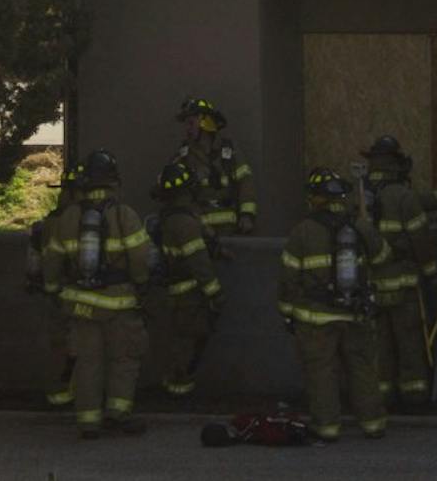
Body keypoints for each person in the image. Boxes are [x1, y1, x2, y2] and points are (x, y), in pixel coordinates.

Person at [42, 150, 151, 439]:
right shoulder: (124, 215)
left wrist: (53, 290)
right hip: (119, 304)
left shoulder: (68, 218)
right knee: (123, 360)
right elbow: (141, 258)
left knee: (87, 363)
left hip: (81, 307)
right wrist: (140, 284)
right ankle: (118, 414)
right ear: (114, 182)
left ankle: (88, 422)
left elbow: (52, 262)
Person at [278, 167, 391, 443]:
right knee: (362, 368)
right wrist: (367, 228)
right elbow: (383, 257)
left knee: (321, 372)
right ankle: (373, 423)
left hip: (315, 319)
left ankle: (327, 427)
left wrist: (287, 314)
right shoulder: (359, 226)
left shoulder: (302, 232)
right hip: (355, 314)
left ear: (314, 198)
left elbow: (288, 280)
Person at [361, 135, 437, 408]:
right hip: (404, 288)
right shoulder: (403, 197)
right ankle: (414, 396)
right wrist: (431, 272)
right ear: (397, 165)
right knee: (409, 344)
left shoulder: (362, 200)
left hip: (373, 289)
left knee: (381, 346)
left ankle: (384, 396)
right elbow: (422, 240)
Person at [152, 160, 224, 399]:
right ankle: (179, 391)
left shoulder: (176, 217)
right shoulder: (183, 223)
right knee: (186, 344)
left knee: (185, 342)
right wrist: (215, 292)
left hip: (181, 293)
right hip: (189, 295)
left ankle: (178, 387)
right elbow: (198, 261)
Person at [30, 161, 82, 409]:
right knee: (79, 345)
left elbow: (40, 260)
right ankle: (73, 394)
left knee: (61, 345)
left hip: (59, 293)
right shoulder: (87, 218)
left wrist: (49, 288)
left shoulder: (52, 221)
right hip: (82, 293)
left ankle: (60, 395)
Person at [173, 97, 258, 235]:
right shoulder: (184, 155)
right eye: (186, 124)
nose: (187, 129)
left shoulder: (228, 150)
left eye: (191, 123)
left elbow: (246, 183)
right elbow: (174, 191)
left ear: (204, 123)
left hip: (230, 231)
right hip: (199, 233)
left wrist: (247, 215)